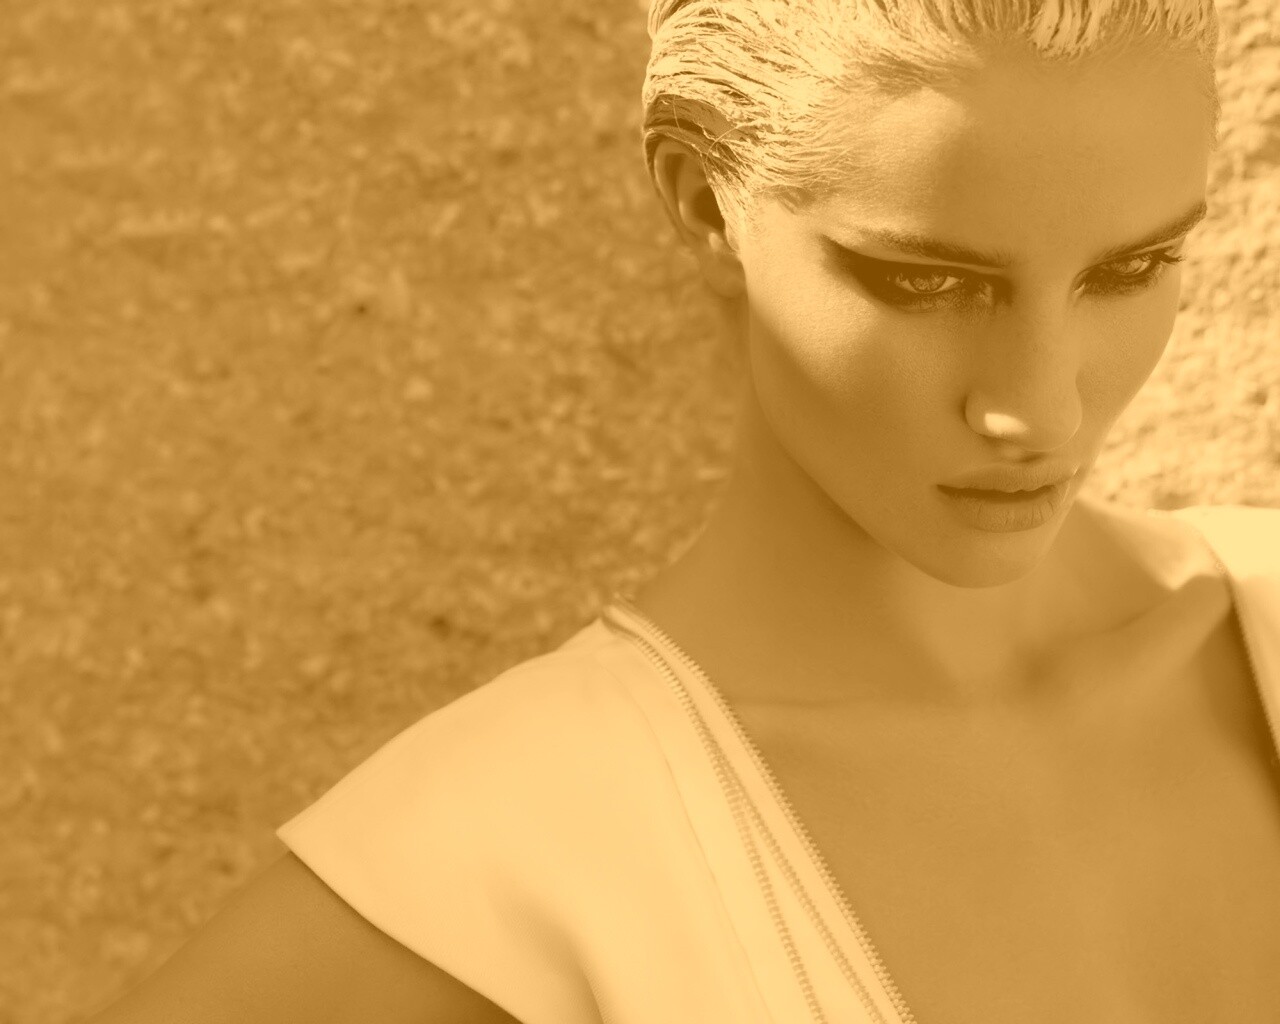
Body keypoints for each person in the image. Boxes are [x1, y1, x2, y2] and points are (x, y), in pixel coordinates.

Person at [85, 1, 1280, 1023]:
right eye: (925, 280)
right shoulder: (517, 842)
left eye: (1129, 271)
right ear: (705, 202)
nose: (1036, 409)